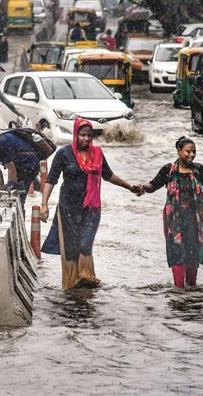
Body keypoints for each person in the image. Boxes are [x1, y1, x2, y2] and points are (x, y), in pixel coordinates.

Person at [40, 118, 141, 290]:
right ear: (75, 135)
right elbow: (51, 180)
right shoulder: (64, 153)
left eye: (89, 136)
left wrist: (129, 186)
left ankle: (87, 279)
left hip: (91, 208)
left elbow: (108, 175)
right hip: (68, 208)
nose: (86, 139)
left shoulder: (98, 154)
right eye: (82, 135)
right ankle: (71, 284)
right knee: (71, 249)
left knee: (85, 244)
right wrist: (44, 204)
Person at [138, 136, 203, 288]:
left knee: (192, 257)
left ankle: (191, 291)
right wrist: (142, 188)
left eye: (194, 152)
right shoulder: (168, 170)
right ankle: (178, 292)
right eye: (188, 152)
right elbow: (153, 185)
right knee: (177, 254)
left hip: (195, 221)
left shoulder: (199, 170)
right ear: (179, 151)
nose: (191, 155)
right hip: (174, 222)